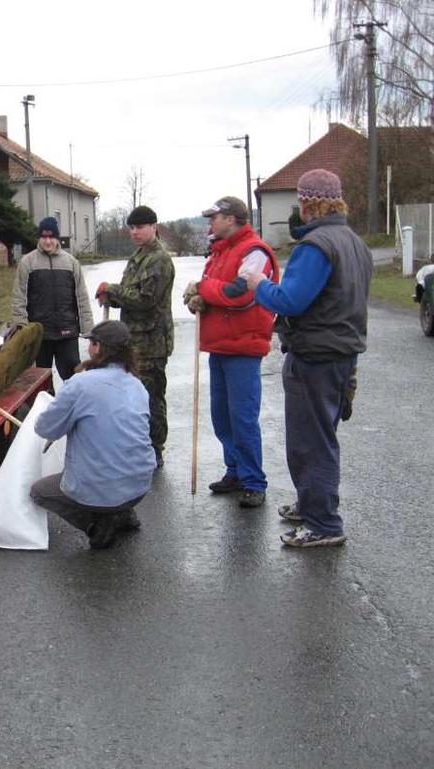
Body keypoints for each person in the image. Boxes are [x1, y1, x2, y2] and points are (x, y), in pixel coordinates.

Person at [246, 168, 373, 548]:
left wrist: (260, 286)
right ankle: (310, 504)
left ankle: (323, 524)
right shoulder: (354, 242)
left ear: (308, 202)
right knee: (321, 435)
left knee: (311, 442)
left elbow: (291, 300)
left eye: (299, 201)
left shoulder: (316, 246)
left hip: (316, 355)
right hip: (342, 352)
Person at [183, 196, 280, 509]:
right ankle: (235, 471)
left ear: (232, 218)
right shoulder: (219, 251)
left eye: (215, 217)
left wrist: (203, 289)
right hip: (220, 345)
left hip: (243, 346)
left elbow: (240, 293)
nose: (210, 222)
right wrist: (198, 298)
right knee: (222, 416)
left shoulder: (254, 251)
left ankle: (254, 481)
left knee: (243, 417)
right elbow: (216, 290)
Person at [30, 320, 156, 550]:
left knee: (40, 491)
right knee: (113, 459)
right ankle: (123, 513)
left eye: (91, 343)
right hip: (140, 485)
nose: (87, 348)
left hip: (101, 488)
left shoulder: (81, 383)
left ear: (98, 348)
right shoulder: (136, 384)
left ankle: (97, 524)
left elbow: (46, 429)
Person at [95, 205, 174, 467]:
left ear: (154, 227)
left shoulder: (159, 259)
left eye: (140, 227)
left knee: (150, 397)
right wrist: (111, 297)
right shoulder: (138, 257)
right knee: (132, 396)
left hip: (152, 342)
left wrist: (114, 290)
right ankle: (137, 444)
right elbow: (129, 297)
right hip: (134, 339)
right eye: (132, 228)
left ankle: (155, 449)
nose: (135, 232)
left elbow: (145, 300)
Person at [11, 216, 95, 382]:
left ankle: (74, 406)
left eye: (51, 237)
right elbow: (19, 296)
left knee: (74, 378)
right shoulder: (28, 262)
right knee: (39, 381)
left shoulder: (71, 263)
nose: (47, 241)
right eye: (44, 237)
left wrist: (88, 329)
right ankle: (44, 405)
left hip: (67, 332)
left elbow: (81, 298)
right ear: (39, 238)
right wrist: (21, 325)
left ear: (57, 238)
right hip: (40, 333)